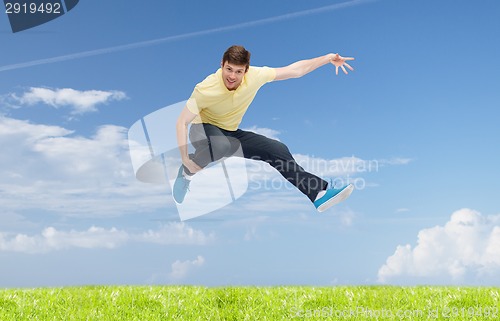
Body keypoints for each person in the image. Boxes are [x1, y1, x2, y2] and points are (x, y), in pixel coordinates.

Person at [174, 45, 354, 212]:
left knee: (277, 149)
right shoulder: (206, 88)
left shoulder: (255, 75)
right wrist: (184, 159)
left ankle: (317, 193)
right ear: (222, 65)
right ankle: (187, 173)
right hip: (201, 129)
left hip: (230, 131)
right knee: (221, 145)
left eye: (239, 72)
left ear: (246, 70)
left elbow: (295, 71)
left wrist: (328, 58)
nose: (232, 76)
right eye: (228, 69)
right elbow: (182, 122)